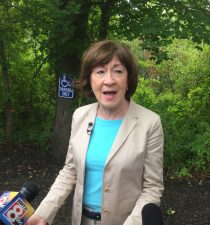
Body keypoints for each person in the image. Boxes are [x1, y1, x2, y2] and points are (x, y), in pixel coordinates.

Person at [26, 40, 164, 225]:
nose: (109, 80)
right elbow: (70, 171)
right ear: (90, 80)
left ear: (128, 78)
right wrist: (43, 214)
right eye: (100, 71)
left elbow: (152, 188)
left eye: (118, 71)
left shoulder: (150, 122)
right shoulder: (80, 116)